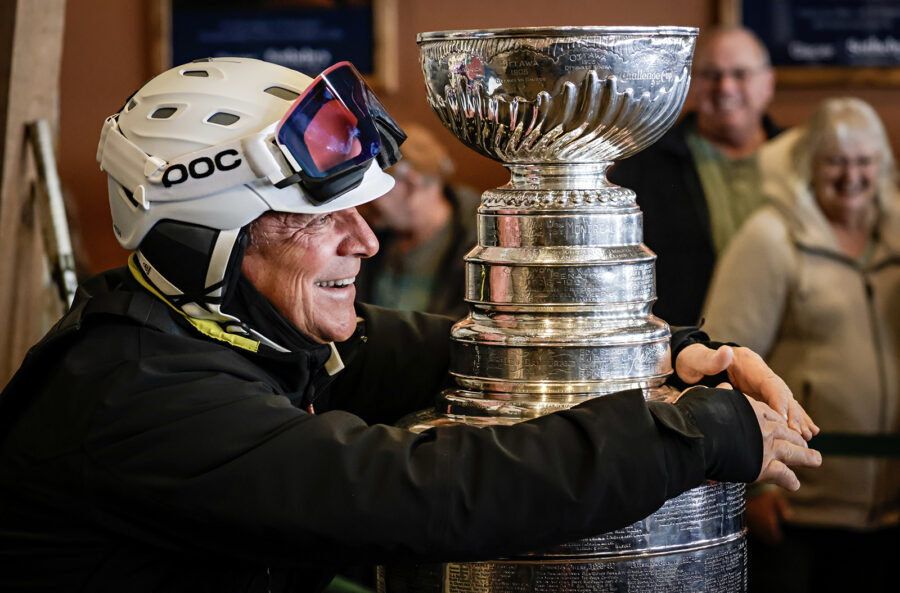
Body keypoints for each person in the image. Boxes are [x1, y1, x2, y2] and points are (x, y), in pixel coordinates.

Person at [0, 57, 819, 592]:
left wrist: (669, 352)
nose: (364, 239)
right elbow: (423, 490)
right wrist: (692, 433)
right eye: (317, 219)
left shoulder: (232, 328)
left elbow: (447, 345)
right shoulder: (134, 391)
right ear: (202, 240)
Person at [701, 97, 900, 592]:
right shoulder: (769, 238)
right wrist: (753, 486)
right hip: (798, 508)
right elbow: (727, 363)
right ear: (808, 162)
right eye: (835, 160)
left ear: (883, 165)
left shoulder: (897, 236)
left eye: (863, 161)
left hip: (891, 514)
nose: (850, 175)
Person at [607, 25, 778, 326]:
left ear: (768, 83)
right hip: (689, 350)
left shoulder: (801, 156)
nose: (725, 87)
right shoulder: (644, 163)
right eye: (711, 74)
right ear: (691, 84)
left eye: (740, 74)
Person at [356, 122, 479, 319]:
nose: (365, 201)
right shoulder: (379, 235)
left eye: (375, 188)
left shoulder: (479, 245)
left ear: (411, 185)